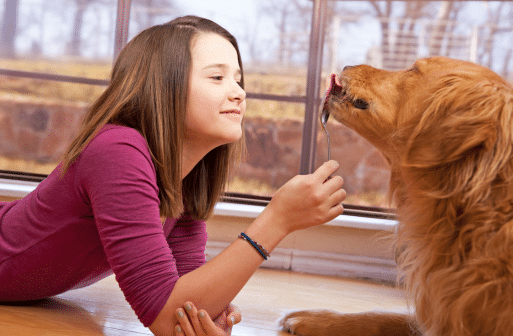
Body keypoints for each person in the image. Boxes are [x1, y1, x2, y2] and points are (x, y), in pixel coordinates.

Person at [0, 15, 346, 336]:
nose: (239, 92)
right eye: (217, 77)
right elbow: (165, 314)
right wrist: (277, 220)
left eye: (238, 79)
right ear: (165, 86)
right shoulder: (117, 150)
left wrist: (207, 314)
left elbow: (184, 305)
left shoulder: (182, 179)